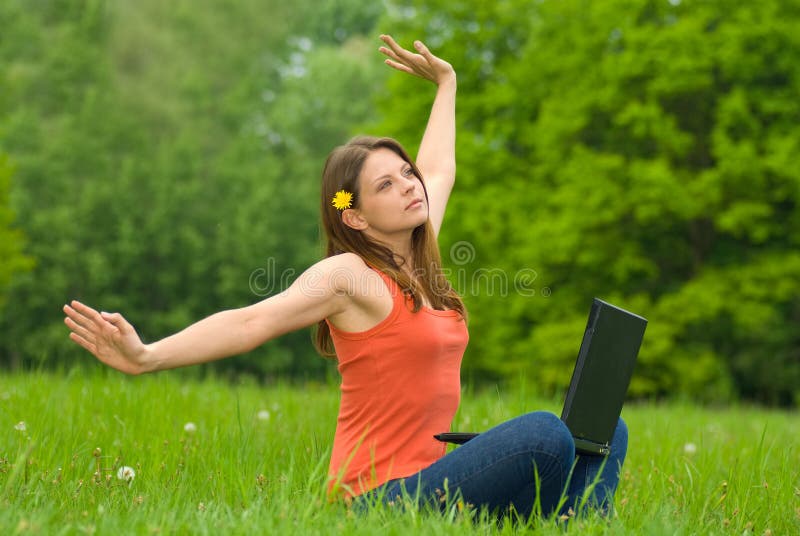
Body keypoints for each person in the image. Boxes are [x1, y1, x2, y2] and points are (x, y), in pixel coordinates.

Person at [63, 34, 627, 520]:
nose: (409, 184)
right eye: (386, 185)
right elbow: (254, 319)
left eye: (404, 174)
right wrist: (147, 356)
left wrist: (447, 84)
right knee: (544, 434)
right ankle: (559, 517)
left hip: (429, 483)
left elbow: (439, 169)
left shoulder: (422, 256)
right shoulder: (350, 275)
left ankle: (569, 523)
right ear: (354, 216)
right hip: (376, 499)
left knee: (605, 432)